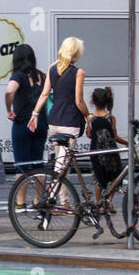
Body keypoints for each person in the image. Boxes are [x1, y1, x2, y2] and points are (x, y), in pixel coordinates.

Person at [29, 37, 90, 181]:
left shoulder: (52, 69)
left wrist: (35, 113)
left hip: (54, 121)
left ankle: (64, 202)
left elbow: (44, 94)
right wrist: (88, 116)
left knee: (60, 162)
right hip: (70, 121)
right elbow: (79, 101)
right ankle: (52, 194)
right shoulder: (78, 72)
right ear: (77, 53)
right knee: (62, 166)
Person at [4, 44, 46, 206]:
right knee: (38, 163)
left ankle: (20, 203)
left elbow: (9, 91)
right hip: (40, 123)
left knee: (22, 165)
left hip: (22, 124)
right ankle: (39, 200)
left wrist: (9, 109)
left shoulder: (18, 76)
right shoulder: (41, 75)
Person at [88, 87, 128, 205]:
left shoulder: (90, 118)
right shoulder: (111, 118)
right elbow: (115, 136)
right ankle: (109, 200)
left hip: (96, 151)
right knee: (115, 175)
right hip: (111, 150)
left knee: (98, 177)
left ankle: (99, 202)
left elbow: (90, 135)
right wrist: (128, 143)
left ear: (93, 102)